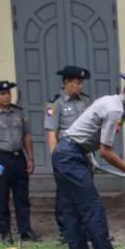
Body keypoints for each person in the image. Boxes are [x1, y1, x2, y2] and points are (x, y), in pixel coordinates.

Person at [53, 72, 125, 249]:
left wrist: (87, 155)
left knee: (72, 211)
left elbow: (85, 131)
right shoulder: (115, 110)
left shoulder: (110, 101)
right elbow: (105, 151)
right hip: (70, 156)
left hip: (67, 152)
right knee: (92, 209)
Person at [0, 81, 38, 244]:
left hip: (18, 157)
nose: (6, 97)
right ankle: (5, 232)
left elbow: (26, 136)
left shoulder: (18, 112)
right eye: (2, 94)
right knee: (1, 197)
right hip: (0, 157)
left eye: (8, 93)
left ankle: (25, 230)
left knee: (22, 196)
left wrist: (30, 158)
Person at [44, 65, 92, 238]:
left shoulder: (85, 101)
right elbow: (52, 133)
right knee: (65, 194)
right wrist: (55, 159)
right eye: (77, 83)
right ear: (66, 82)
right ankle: (65, 231)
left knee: (86, 191)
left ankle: (85, 229)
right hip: (65, 154)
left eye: (81, 83)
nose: (80, 86)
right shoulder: (55, 103)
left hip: (83, 152)